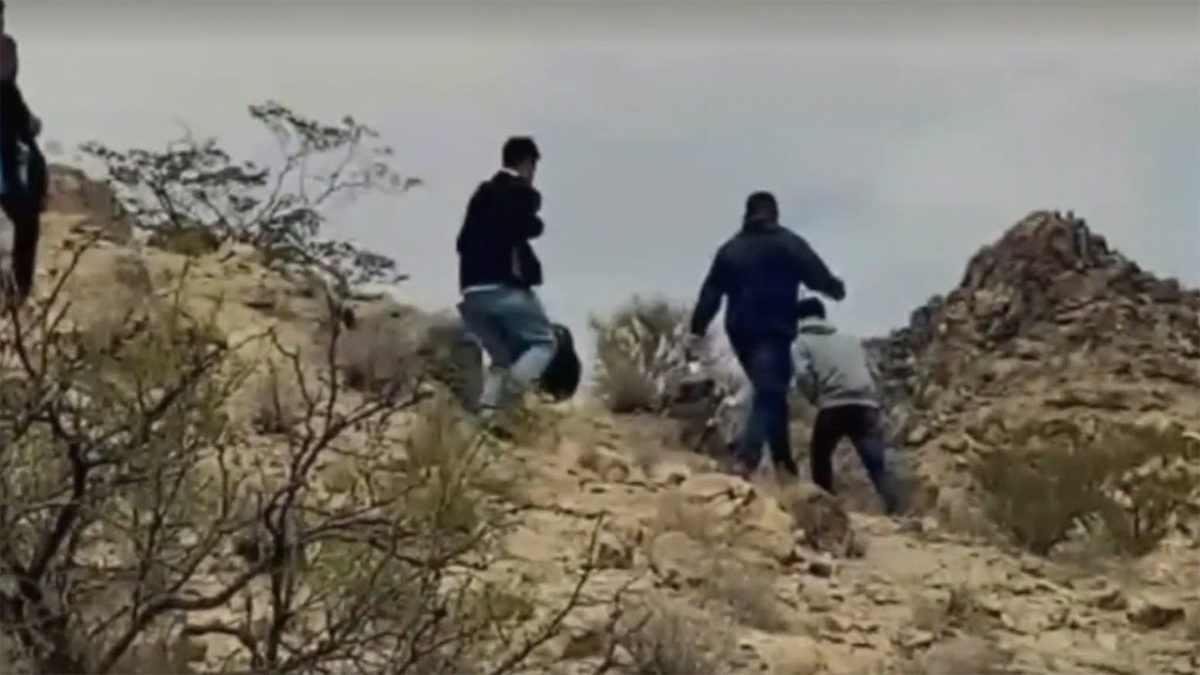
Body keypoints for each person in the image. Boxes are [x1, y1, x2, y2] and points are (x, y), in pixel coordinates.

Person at [689, 191, 846, 479]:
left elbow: (711, 293)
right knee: (770, 390)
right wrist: (834, 288)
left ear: (746, 215)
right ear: (774, 213)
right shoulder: (787, 243)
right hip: (772, 330)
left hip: (740, 332)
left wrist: (697, 328)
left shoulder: (730, 250)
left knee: (771, 392)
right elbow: (815, 273)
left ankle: (784, 465)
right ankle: (746, 458)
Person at [455, 137, 557, 417]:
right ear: (528, 163)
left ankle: (486, 416)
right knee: (543, 343)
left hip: (471, 292)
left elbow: (461, 242)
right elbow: (528, 225)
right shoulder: (520, 191)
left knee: (503, 357)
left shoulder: (481, 194)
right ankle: (509, 405)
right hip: (503, 287)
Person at [793, 297, 903, 515]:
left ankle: (827, 507)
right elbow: (871, 370)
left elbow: (802, 375)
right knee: (875, 460)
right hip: (864, 404)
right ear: (823, 315)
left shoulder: (802, 342)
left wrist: (815, 398)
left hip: (832, 405)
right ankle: (897, 507)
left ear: (800, 319)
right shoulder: (850, 339)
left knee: (820, 456)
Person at [0, 0, 47, 305]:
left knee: (26, 214)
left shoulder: (6, 47)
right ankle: (18, 290)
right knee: (25, 214)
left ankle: (18, 291)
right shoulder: (5, 49)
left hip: (8, 143)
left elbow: (12, 99)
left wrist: (29, 124)